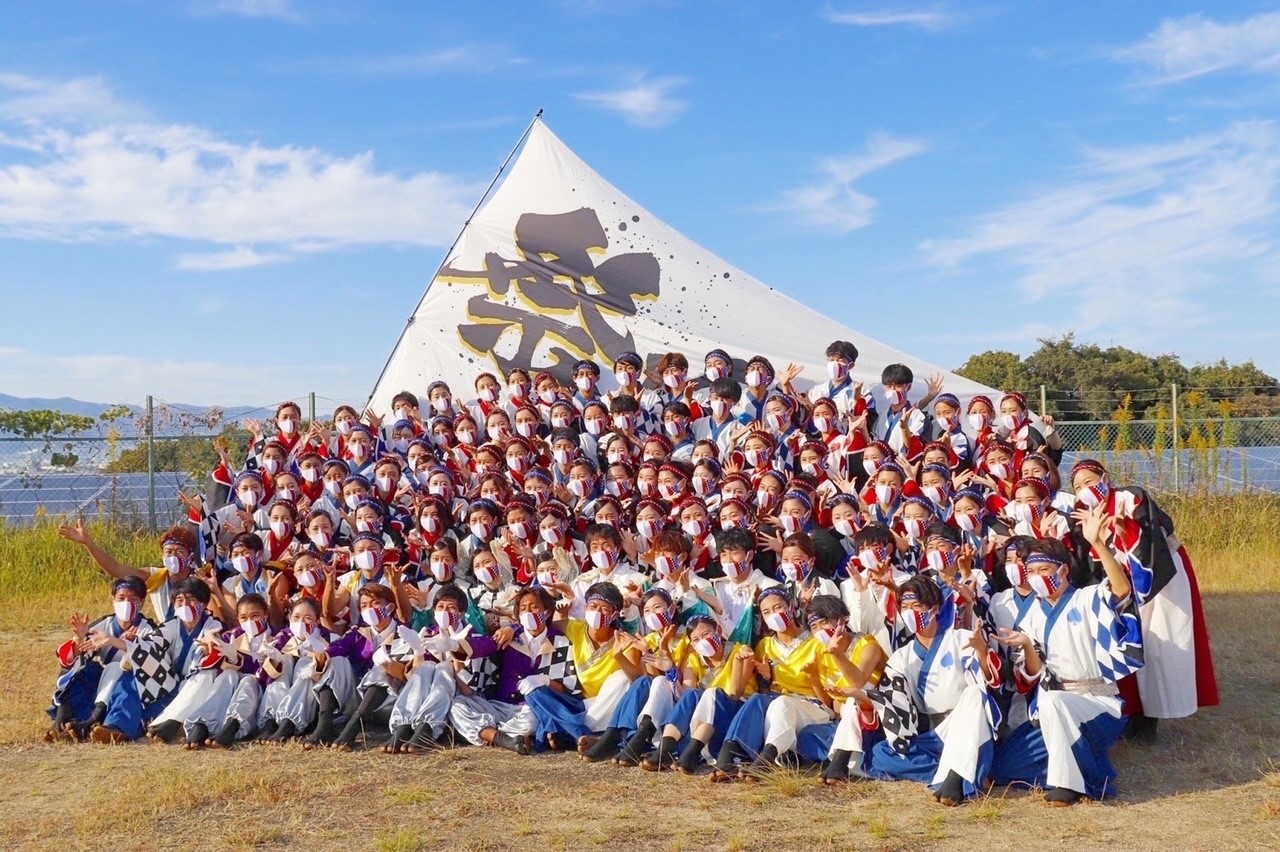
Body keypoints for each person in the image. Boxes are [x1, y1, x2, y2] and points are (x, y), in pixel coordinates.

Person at [993, 517, 1144, 805]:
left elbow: (1122, 590)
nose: (1038, 576)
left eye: (1044, 569)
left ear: (1063, 569)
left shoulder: (1087, 598)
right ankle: (1077, 764)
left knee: (1054, 701)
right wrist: (1026, 646)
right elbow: (1034, 672)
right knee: (1004, 767)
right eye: (1032, 570)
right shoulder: (1033, 614)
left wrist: (1097, 543)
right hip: (1053, 706)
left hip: (1097, 702)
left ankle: (1069, 786)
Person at [865, 575, 1002, 806]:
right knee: (881, 753)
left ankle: (958, 778)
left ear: (935, 608)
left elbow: (989, 681)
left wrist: (981, 650)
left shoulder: (961, 638)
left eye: (917, 605)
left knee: (974, 694)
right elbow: (894, 702)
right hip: (932, 734)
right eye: (905, 607)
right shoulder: (902, 656)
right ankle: (960, 768)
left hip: (965, 724)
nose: (910, 612)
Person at [46, 575, 156, 742]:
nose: (127, 603)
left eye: (133, 599)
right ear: (113, 600)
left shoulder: (148, 629)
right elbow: (81, 654)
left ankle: (105, 723)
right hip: (104, 680)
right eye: (122, 598)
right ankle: (64, 720)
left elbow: (151, 662)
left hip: (131, 683)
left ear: (142, 602)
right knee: (81, 671)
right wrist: (79, 640)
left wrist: (117, 642)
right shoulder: (105, 623)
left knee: (118, 671)